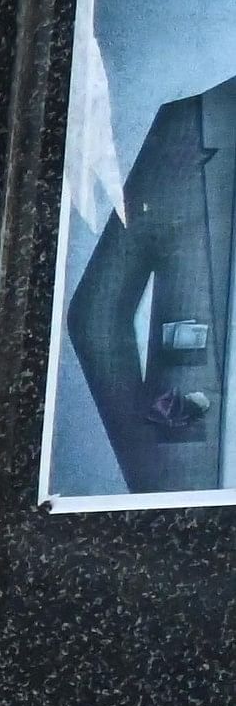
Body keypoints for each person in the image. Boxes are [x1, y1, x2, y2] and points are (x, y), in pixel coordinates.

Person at [70, 72, 236, 492]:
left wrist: (150, 461)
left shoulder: (191, 123)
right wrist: (147, 461)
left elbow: (96, 315)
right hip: (192, 461)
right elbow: (96, 316)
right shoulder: (190, 124)